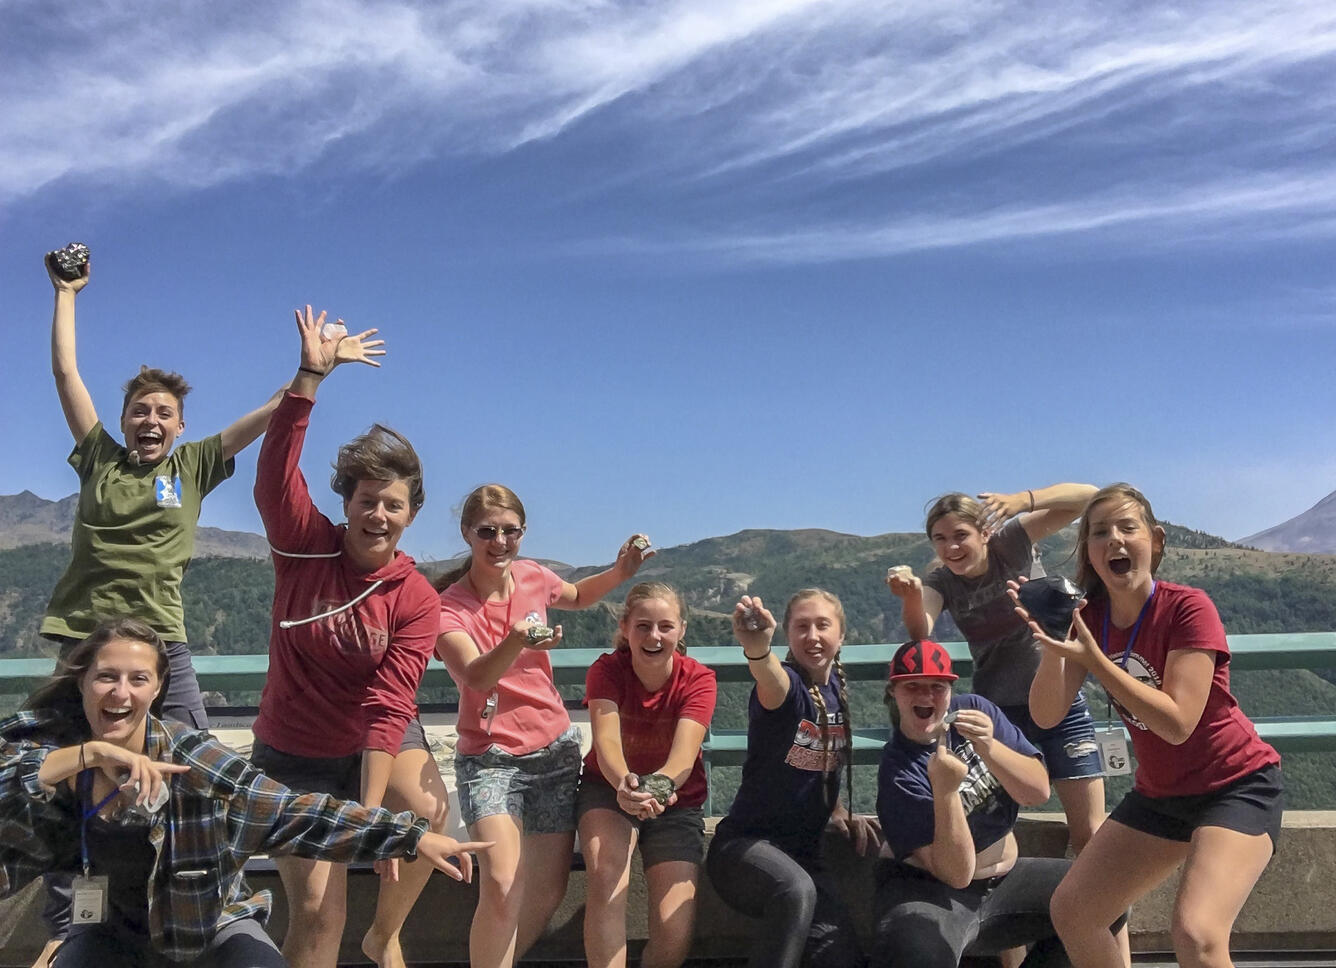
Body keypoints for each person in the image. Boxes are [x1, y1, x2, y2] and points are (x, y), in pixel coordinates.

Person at [36, 249, 288, 966]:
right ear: (122, 420)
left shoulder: (195, 465)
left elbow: (265, 420)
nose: (151, 420)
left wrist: (310, 374)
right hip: (87, 644)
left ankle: (218, 901)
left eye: (164, 413)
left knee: (198, 768)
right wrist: (66, 293)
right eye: (140, 411)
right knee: (67, 775)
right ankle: (70, 926)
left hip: (164, 646)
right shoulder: (98, 458)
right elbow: (65, 375)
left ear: (180, 427)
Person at [0, 617, 491, 968]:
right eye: (106, 676)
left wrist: (409, 837)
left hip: (210, 930)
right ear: (82, 682)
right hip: (108, 936)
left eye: (138, 679)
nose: (120, 693)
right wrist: (85, 757)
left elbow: (289, 812)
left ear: (157, 690)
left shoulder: (191, 759)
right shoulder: (50, 750)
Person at [248, 306, 447, 968]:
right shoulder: (304, 548)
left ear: (411, 514)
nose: (379, 514)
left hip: (367, 740)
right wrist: (310, 377)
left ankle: (385, 932)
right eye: (367, 500)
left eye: (393, 504)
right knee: (316, 913)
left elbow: (390, 705)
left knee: (426, 813)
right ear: (347, 503)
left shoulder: (415, 598)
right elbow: (275, 475)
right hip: (295, 751)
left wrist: (369, 817)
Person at [1013, 483, 1283, 968]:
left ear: (1155, 541)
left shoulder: (1187, 608)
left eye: (1127, 528)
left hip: (1236, 786)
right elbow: (1046, 715)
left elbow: (1177, 722)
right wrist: (1055, 638)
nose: (1114, 539)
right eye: (1099, 533)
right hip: (1161, 795)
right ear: (1089, 555)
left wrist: (1095, 660)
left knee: (1197, 935)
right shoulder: (1087, 619)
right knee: (1075, 911)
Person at [434, 484, 653, 968]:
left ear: (523, 533)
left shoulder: (532, 576)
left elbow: (574, 595)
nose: (500, 542)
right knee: (502, 883)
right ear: (467, 533)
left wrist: (620, 572)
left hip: (554, 753)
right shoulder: (449, 608)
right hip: (490, 761)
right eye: (487, 531)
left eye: (511, 532)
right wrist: (516, 641)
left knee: (548, 890)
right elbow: (474, 676)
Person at [887, 484, 1105, 855]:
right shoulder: (941, 580)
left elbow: (1093, 499)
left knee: (1089, 832)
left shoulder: (1012, 542)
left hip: (1060, 698)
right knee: (992, 824)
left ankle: (1103, 912)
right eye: (940, 539)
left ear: (985, 532)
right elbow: (921, 632)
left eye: (961, 535)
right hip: (1002, 713)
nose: (951, 547)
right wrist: (910, 598)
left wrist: (1025, 501)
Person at [874, 639, 1116, 967]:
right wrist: (945, 793)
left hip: (1004, 883)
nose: (926, 696)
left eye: (937, 686)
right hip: (930, 891)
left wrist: (989, 746)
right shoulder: (898, 772)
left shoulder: (977, 712)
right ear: (894, 692)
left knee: (1107, 897)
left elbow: (1037, 791)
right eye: (912, 686)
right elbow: (955, 874)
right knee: (918, 955)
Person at [705, 589, 880, 968]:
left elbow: (821, 759)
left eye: (823, 625)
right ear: (786, 634)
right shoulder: (786, 685)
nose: (812, 636)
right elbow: (771, 681)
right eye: (801, 627)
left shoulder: (835, 690)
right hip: (744, 851)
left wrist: (836, 807)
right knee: (794, 889)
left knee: (844, 956)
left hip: (805, 857)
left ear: (842, 635)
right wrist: (757, 650)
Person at [578, 582, 717, 968]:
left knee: (675, 928)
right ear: (625, 628)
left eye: (665, 626)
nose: (654, 637)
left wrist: (656, 788)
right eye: (643, 626)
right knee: (607, 880)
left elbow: (682, 759)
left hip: (675, 801)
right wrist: (625, 784)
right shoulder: (606, 671)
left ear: (682, 630)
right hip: (607, 790)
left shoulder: (699, 679)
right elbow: (606, 742)